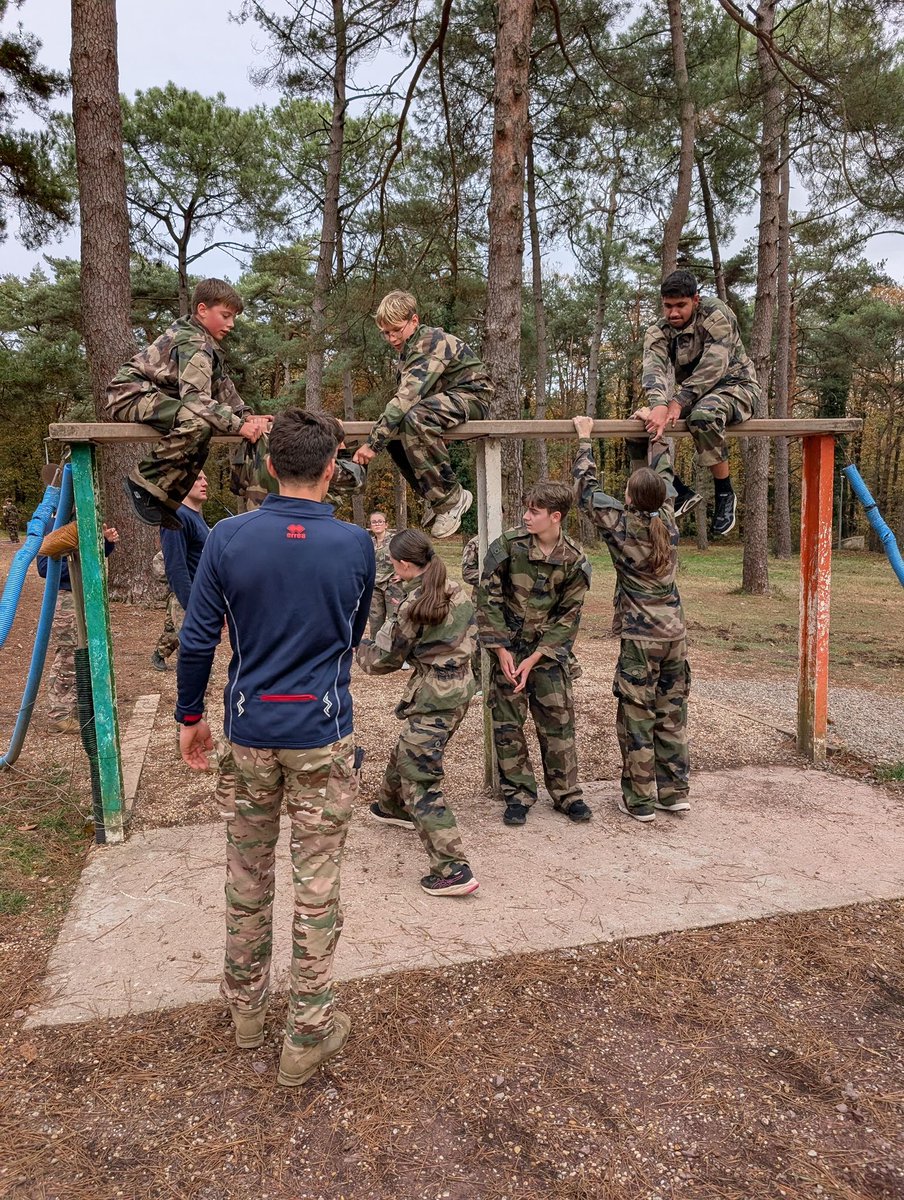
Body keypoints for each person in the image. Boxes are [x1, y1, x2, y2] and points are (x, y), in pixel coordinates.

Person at [176, 408, 375, 1087]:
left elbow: (199, 636)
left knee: (247, 875)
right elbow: (354, 630)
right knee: (316, 887)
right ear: (331, 467)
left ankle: (247, 1014)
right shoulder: (355, 545)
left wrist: (187, 715)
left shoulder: (230, 537)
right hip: (320, 733)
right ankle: (307, 1033)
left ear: (268, 466)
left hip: (250, 732)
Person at [572, 415, 690, 822]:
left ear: (630, 495)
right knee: (671, 714)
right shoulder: (668, 520)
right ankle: (674, 793)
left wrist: (584, 438)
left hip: (642, 639)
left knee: (637, 717)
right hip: (675, 635)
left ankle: (640, 800)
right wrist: (658, 436)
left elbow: (587, 492)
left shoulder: (622, 525)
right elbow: (665, 474)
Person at [356, 529, 479, 897]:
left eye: (394, 565)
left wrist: (356, 646)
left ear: (407, 566)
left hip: (433, 700)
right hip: (459, 692)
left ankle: (453, 868)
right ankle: (390, 806)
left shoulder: (413, 605)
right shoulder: (454, 589)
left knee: (420, 779)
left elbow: (381, 661)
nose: (392, 572)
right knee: (410, 753)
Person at [106, 278, 270, 530]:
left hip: (155, 396)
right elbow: (195, 398)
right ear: (202, 310)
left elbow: (222, 385)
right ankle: (141, 482)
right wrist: (238, 426)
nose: (231, 324)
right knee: (197, 424)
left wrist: (246, 415)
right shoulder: (194, 342)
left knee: (202, 432)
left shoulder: (204, 341)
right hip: (130, 393)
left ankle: (164, 498)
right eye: (225, 315)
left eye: (233, 317)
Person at [476, 482, 592, 827]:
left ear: (555, 517)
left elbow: (568, 617)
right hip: (507, 651)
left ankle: (567, 795)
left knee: (557, 723)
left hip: (547, 656)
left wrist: (537, 657)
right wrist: (500, 649)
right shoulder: (508, 548)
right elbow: (487, 599)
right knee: (507, 725)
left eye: (534, 512)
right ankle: (518, 795)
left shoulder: (574, 560)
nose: (526, 516)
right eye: (525, 509)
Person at [352, 291, 494, 539]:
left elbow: (406, 399)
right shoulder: (409, 348)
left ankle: (452, 499)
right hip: (443, 402)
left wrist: (372, 444)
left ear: (414, 321)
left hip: (474, 398)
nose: (391, 338)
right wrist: (384, 437)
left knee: (414, 416)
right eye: (385, 333)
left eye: (396, 330)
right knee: (396, 436)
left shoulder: (429, 343)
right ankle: (433, 496)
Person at [640, 269, 759, 537]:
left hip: (737, 387)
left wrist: (679, 401)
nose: (673, 313)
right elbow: (653, 368)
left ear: (695, 299)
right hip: (695, 396)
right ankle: (679, 491)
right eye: (668, 306)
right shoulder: (659, 331)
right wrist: (658, 404)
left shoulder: (716, 314)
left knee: (703, 415)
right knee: (641, 422)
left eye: (680, 305)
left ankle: (724, 493)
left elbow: (714, 365)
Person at [37, 523, 118, 734]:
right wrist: (80, 559)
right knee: (69, 656)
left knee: (83, 653)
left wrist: (105, 543)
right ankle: (59, 714)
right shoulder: (54, 521)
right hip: (66, 599)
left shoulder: (83, 514)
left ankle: (77, 707)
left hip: (85, 596)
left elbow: (96, 558)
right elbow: (44, 567)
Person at [151, 471, 210, 672]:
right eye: (199, 479)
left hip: (200, 598)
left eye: (205, 478)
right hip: (189, 599)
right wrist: (194, 607)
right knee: (193, 655)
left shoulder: (194, 516)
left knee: (175, 634)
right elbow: (176, 567)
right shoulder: (178, 517)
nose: (205, 482)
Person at [367, 511, 404, 638]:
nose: (377, 524)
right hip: (374, 587)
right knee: (375, 621)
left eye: (380, 521)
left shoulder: (395, 541)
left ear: (386, 524)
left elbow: (408, 558)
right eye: (374, 522)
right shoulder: (368, 542)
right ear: (371, 525)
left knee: (394, 619)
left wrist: (401, 575)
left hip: (392, 585)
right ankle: (375, 650)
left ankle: (397, 651)